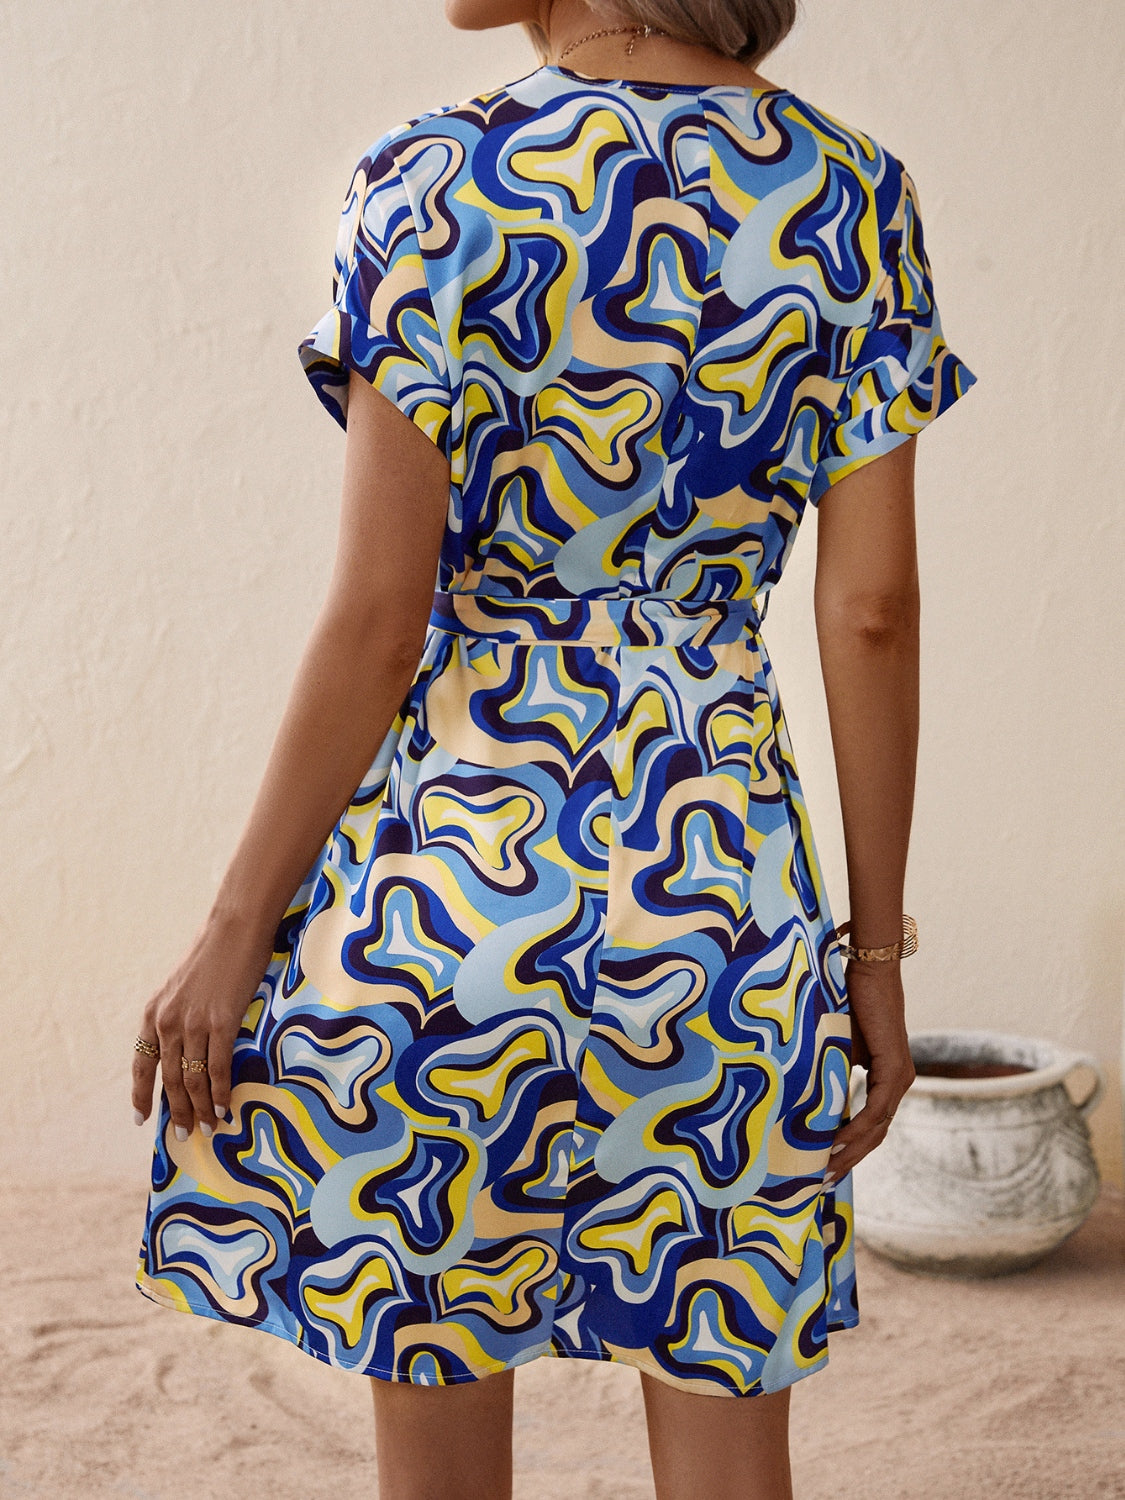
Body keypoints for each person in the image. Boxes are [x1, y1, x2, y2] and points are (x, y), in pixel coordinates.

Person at [129, 2, 976, 1495]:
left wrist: (233, 927)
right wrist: (875, 958)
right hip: (716, 901)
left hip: (448, 898)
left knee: (435, 1400)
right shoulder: (852, 190)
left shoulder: (429, 177)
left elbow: (380, 617)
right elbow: (871, 614)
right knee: (725, 1394)